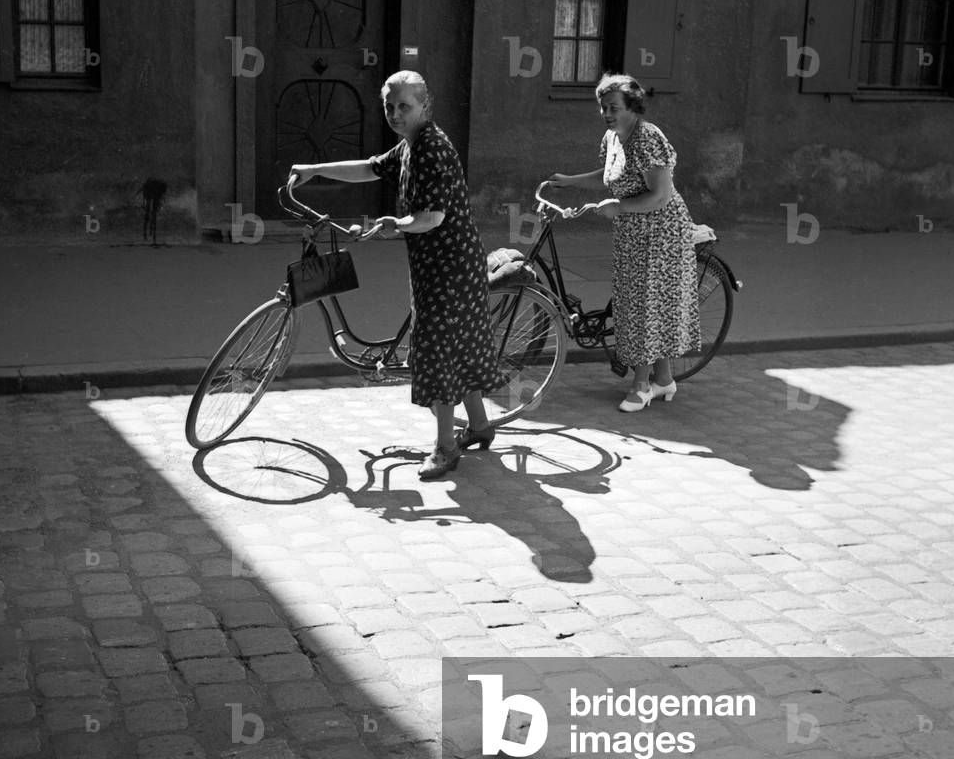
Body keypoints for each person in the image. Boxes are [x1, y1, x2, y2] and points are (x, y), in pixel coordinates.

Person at [290, 71, 502, 478]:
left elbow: (431, 217)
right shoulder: (411, 145)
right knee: (459, 347)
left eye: (404, 106)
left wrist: (394, 223)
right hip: (441, 264)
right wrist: (315, 169)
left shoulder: (431, 149)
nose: (395, 113)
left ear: (426, 106)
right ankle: (478, 426)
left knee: (438, 353)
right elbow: (370, 168)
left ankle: (445, 448)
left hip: (449, 269)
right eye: (389, 106)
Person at [547, 72, 700, 412]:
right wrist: (568, 181)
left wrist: (619, 207)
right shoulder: (613, 137)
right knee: (633, 304)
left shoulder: (646, 138)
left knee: (645, 306)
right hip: (633, 230)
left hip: (661, 231)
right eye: (603, 108)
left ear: (632, 105)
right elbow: (606, 177)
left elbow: (660, 196)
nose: (607, 114)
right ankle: (664, 380)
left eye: (614, 107)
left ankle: (641, 386)